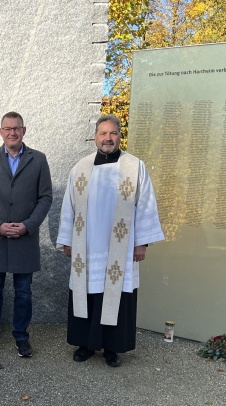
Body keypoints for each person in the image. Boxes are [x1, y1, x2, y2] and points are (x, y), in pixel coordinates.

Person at [56, 115, 164, 367]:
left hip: (121, 248)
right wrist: (67, 239)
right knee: (87, 291)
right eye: (103, 133)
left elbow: (146, 205)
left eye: (113, 133)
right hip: (87, 246)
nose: (108, 138)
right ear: (95, 137)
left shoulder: (134, 166)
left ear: (119, 136)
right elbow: (68, 206)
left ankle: (112, 348)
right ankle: (85, 344)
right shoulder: (80, 167)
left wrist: (141, 243)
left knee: (116, 295)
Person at [0, 111, 53, 357]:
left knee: (24, 292)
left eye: (16, 128)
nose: (12, 133)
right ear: (1, 132)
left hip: (24, 237)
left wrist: (28, 225)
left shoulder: (38, 160)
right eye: (7, 129)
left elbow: (45, 197)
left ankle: (21, 337)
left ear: (24, 130)